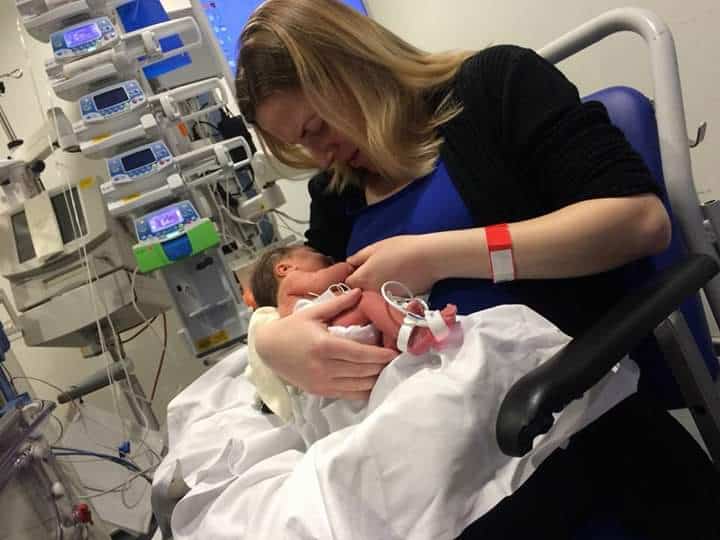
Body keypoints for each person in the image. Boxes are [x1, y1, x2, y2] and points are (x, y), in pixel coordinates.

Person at [234, 0, 720, 537]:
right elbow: (305, 290)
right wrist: (275, 343)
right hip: (424, 459)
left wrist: (435, 254)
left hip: (555, 427)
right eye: (301, 144)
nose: (321, 155)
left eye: (317, 126)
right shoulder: (337, 193)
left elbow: (639, 221)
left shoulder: (492, 89)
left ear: (352, 67)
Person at [250, 244, 457, 353]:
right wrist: (346, 266)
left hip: (333, 339)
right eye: (315, 254)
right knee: (365, 299)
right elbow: (320, 281)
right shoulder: (291, 282)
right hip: (328, 332)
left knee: (378, 317)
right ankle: (416, 333)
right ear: (284, 268)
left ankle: (395, 342)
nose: (326, 259)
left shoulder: (290, 304)